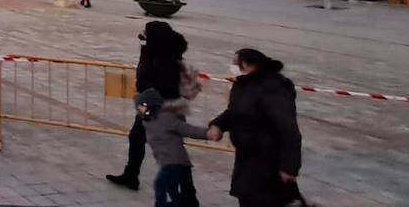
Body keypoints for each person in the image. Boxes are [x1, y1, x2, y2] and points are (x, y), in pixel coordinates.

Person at [207, 49, 304, 207]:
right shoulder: (244, 84)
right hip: (247, 157)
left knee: (264, 200)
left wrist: (290, 168)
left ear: (246, 64)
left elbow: (290, 130)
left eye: (234, 63)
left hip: (268, 160)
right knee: (247, 197)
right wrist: (218, 124)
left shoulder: (273, 88)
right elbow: (235, 112)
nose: (232, 67)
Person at [108, 21, 189, 191]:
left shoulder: (165, 59)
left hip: (162, 106)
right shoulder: (155, 52)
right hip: (152, 104)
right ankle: (131, 175)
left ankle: (188, 193)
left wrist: (144, 87)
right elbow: (143, 71)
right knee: (137, 137)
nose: (142, 34)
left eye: (145, 32)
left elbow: (162, 84)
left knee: (170, 149)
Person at [135, 88, 209, 206]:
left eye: (141, 106)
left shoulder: (165, 118)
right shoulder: (147, 121)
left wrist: (207, 133)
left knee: (160, 183)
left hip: (175, 160)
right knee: (172, 188)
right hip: (166, 160)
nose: (139, 110)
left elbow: (188, 129)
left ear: (150, 106)